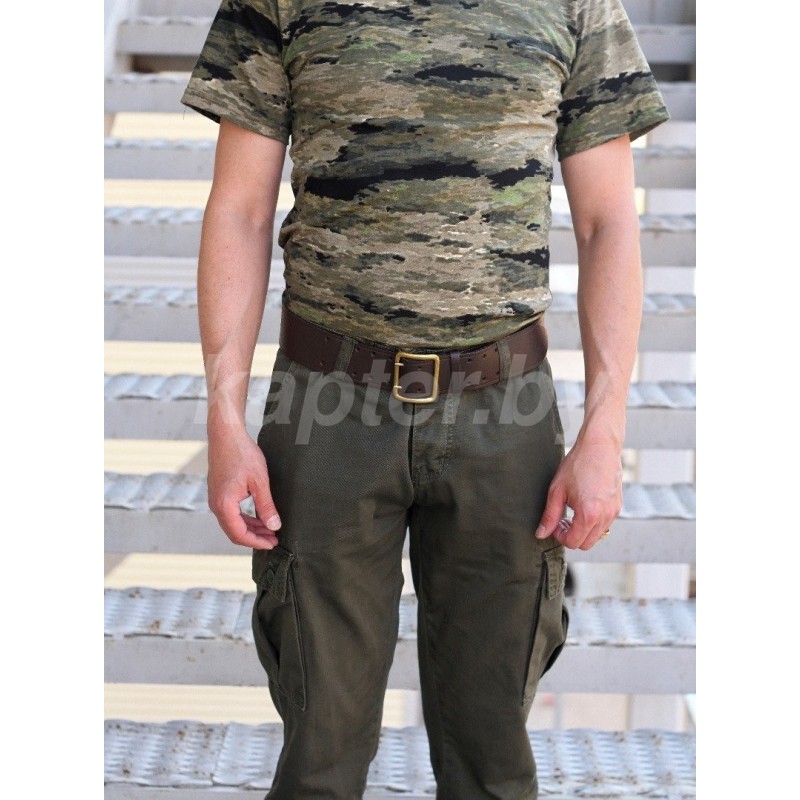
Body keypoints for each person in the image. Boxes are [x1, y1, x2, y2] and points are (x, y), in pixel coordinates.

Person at [181, 0, 669, 797]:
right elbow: (239, 209)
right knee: (319, 758)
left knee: (491, 762)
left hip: (505, 412)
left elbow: (608, 223)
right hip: (326, 404)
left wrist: (604, 432)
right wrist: (225, 421)